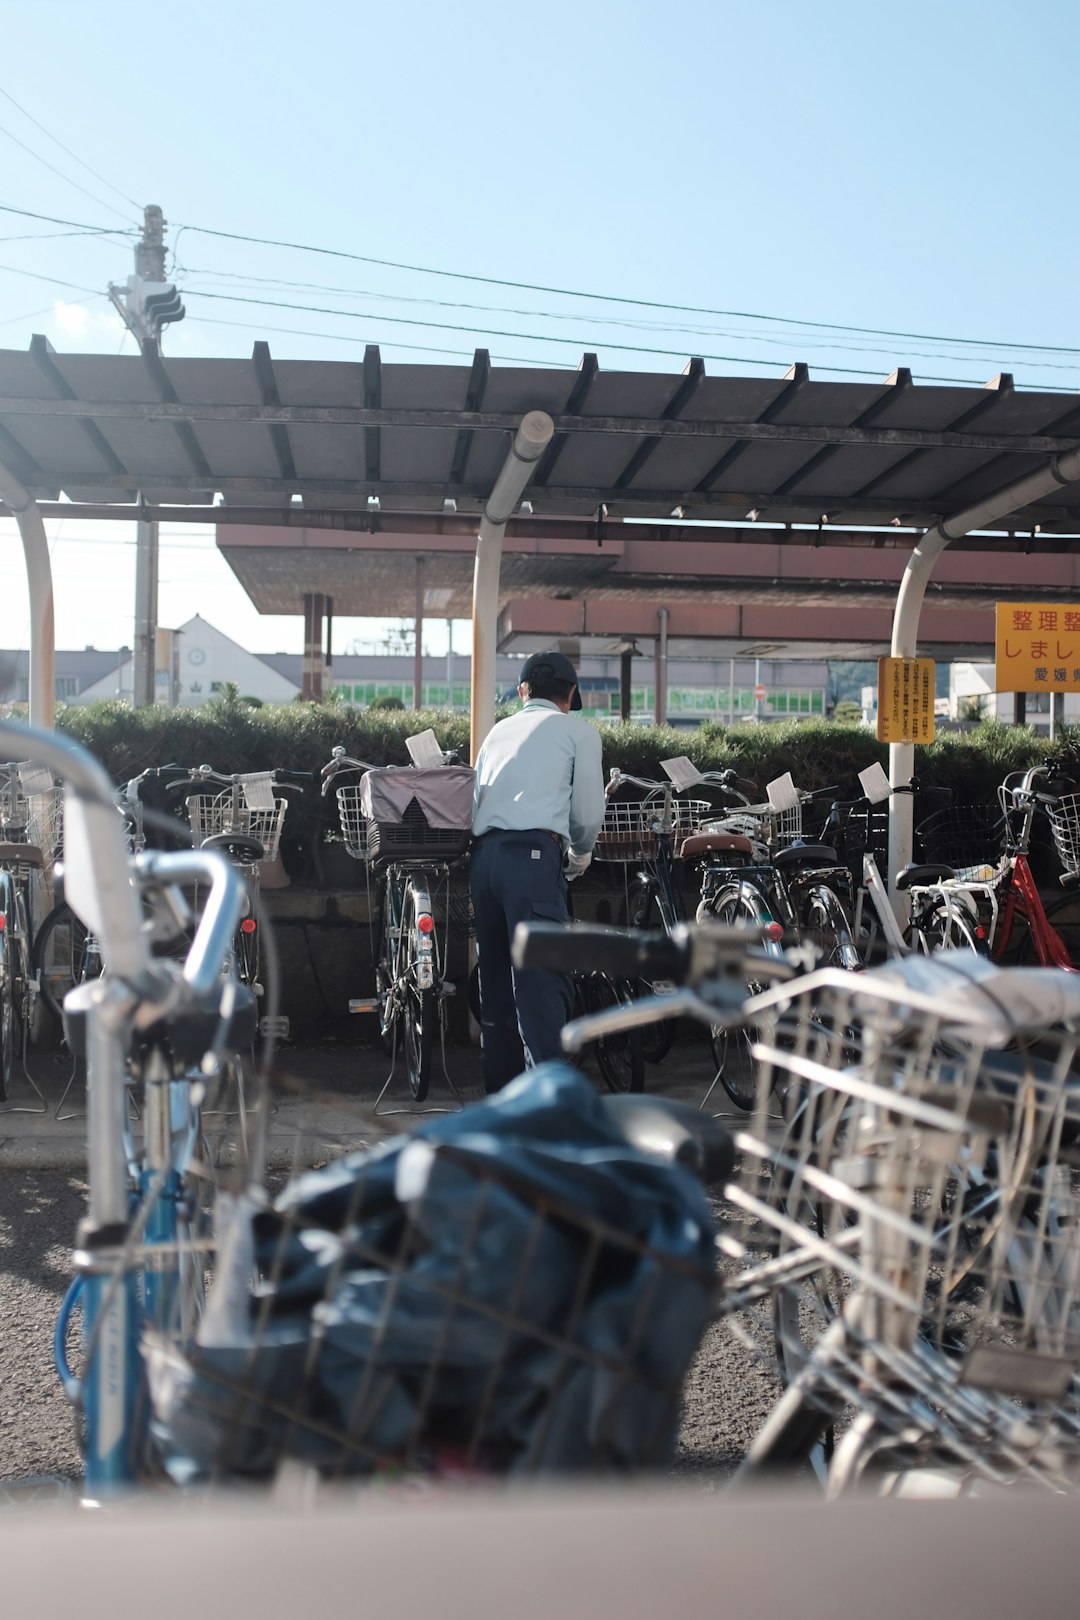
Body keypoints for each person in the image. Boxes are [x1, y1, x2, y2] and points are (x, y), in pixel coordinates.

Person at [470, 651, 606, 1093]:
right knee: (540, 986)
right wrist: (579, 857)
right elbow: (586, 813)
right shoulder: (577, 732)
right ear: (570, 695)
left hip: (484, 860)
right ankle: (550, 1108)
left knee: (496, 988)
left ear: (523, 691)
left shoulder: (495, 733)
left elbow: (475, 799)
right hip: (532, 859)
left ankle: (504, 1106)